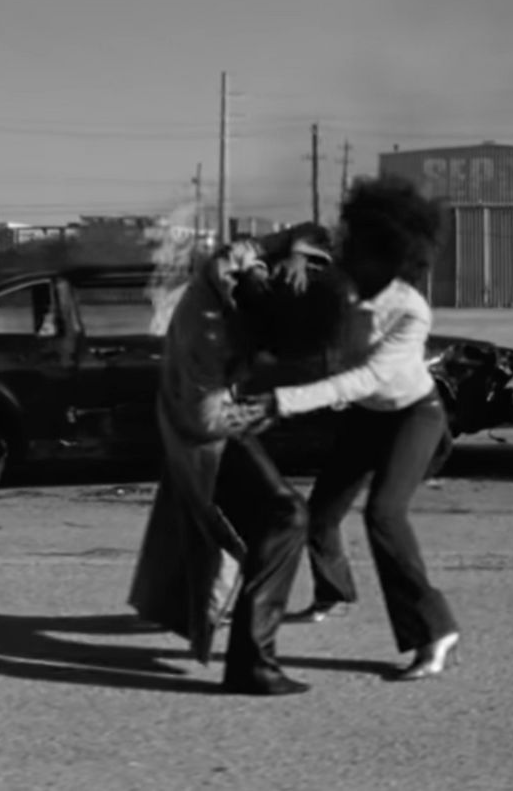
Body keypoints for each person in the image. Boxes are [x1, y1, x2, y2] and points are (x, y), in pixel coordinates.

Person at [244, 176, 460, 683]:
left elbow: (366, 377)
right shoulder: (346, 275)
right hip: (368, 415)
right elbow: (311, 231)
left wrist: (281, 401)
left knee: (385, 515)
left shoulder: (410, 310)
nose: (349, 260)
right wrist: (296, 254)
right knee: (320, 513)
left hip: (413, 414)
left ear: (392, 258)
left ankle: (434, 630)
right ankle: (334, 592)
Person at [127, 226, 330, 697]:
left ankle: (247, 651)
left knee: (274, 524)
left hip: (206, 423)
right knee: (285, 517)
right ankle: (251, 663)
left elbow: (289, 243)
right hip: (205, 434)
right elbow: (207, 416)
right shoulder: (219, 316)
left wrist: (298, 254)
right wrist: (264, 409)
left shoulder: (242, 280)